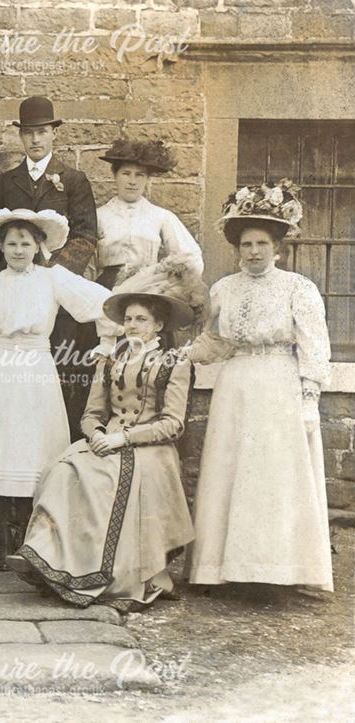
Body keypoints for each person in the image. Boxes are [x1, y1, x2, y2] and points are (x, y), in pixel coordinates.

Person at [9, 267, 202, 610]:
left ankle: (107, 575)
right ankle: (48, 560)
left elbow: (172, 424)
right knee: (63, 470)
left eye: (141, 319)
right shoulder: (110, 359)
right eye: (128, 319)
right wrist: (97, 433)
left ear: (158, 326)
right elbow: (91, 414)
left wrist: (123, 439)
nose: (132, 326)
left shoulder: (174, 363)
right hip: (107, 441)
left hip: (151, 450)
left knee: (107, 481)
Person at [187, 180, 333, 594]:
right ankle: (222, 567)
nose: (253, 252)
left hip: (279, 385)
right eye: (247, 244)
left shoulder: (298, 289)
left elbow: (314, 345)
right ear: (237, 248)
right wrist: (177, 356)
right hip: (235, 386)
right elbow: (213, 342)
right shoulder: (223, 290)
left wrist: (309, 400)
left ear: (277, 247)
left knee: (272, 476)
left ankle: (276, 570)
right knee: (230, 471)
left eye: (262, 244)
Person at [0, 209, 111, 569]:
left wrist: (109, 340)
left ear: (38, 247)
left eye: (26, 243)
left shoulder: (52, 280)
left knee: (35, 449)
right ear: (1, 248)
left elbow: (98, 302)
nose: (18, 250)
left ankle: (35, 541)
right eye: (12, 244)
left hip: (36, 369)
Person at [0, 96, 100, 442]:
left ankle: (57, 450)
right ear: (20, 138)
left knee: (61, 369)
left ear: (54, 134)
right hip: (17, 289)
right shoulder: (6, 182)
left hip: (58, 291)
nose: (35, 140)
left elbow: (85, 236)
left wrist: (53, 270)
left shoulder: (74, 180)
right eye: (28, 133)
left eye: (42, 132)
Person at [94, 139, 203, 290]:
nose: (132, 181)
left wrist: (166, 276)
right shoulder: (99, 216)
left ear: (147, 179)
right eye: (126, 174)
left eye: (139, 175)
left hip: (148, 288)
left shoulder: (161, 216)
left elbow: (190, 256)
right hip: (106, 289)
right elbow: (86, 265)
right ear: (115, 175)